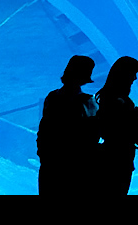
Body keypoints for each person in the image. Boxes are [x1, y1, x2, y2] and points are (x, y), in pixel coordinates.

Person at [36, 54, 98, 195]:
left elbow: (44, 130)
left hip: (51, 163)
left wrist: (43, 154)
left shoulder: (52, 97)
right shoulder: (87, 102)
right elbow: (93, 135)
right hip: (77, 166)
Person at [93, 56, 138, 195]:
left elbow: (123, 120)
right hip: (120, 158)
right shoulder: (119, 101)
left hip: (110, 156)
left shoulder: (109, 97)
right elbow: (130, 130)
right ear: (124, 74)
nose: (135, 78)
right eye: (133, 73)